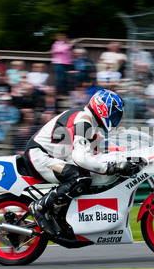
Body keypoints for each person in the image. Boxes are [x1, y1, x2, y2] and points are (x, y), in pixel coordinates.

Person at [24, 89, 135, 235]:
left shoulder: (93, 125)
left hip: (54, 157)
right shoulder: (83, 120)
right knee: (80, 177)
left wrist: (128, 154)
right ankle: (39, 208)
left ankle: (62, 216)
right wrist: (110, 167)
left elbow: (102, 150)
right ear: (103, 108)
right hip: (41, 156)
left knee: (87, 177)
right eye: (114, 113)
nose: (116, 118)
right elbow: (81, 158)